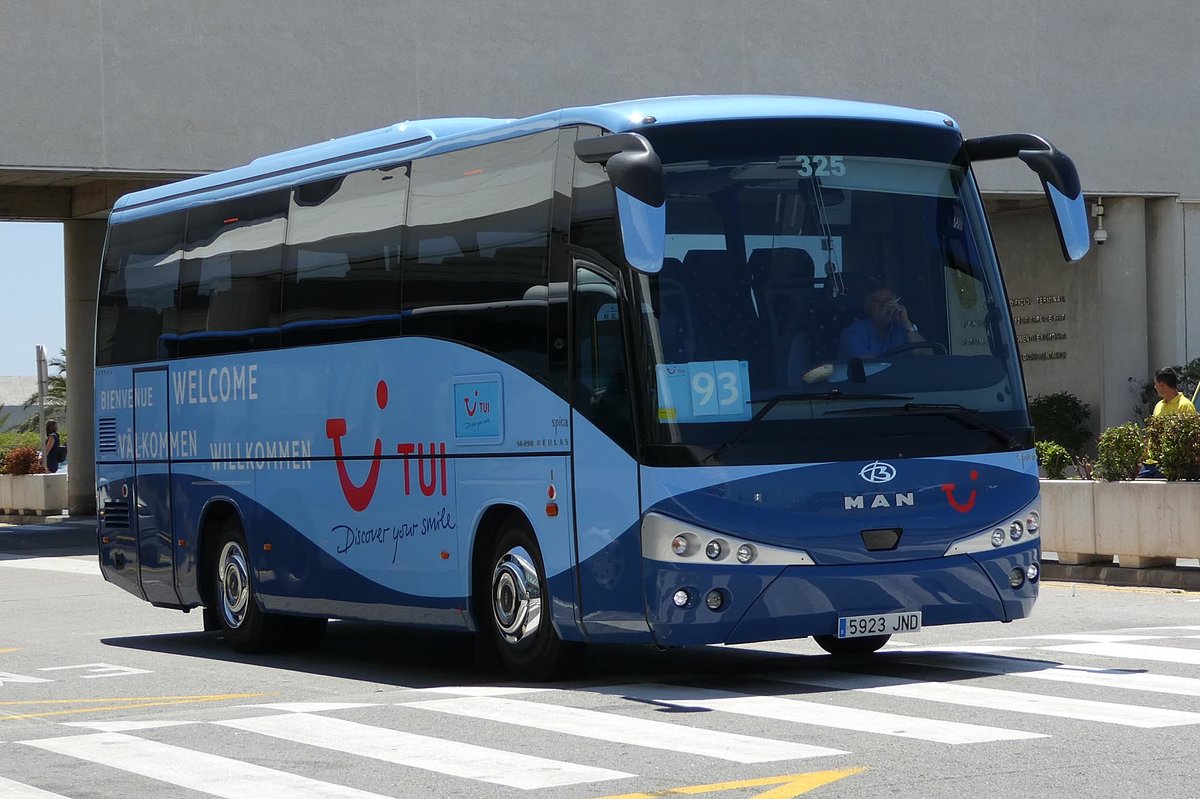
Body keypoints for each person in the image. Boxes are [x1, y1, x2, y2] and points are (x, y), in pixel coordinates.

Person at [836, 284, 925, 360]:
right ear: (866, 308)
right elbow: (866, 365)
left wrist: (907, 323)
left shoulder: (902, 329)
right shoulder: (853, 332)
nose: (884, 305)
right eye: (877, 301)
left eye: (889, 300)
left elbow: (926, 355)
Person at [1137, 367, 1196, 478]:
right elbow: (1152, 433)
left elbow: (1190, 437)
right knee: (1138, 486)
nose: (1155, 387)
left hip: (1170, 462)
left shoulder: (1185, 406)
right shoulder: (1158, 406)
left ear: (1162, 385)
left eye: (1156, 384)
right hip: (1151, 462)